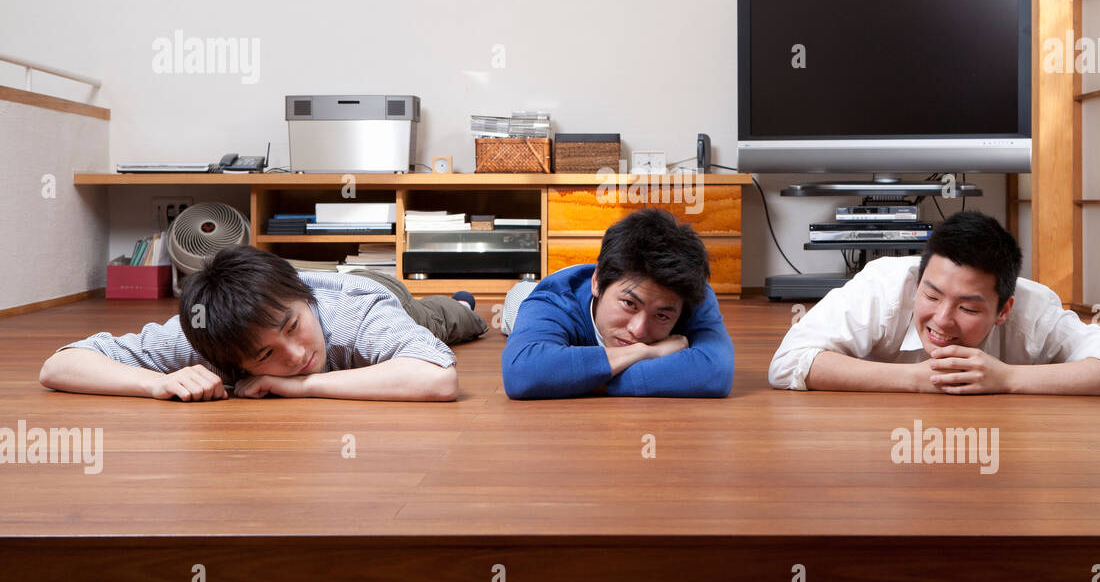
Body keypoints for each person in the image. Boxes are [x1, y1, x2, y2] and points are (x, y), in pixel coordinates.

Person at [768, 210, 1100, 396]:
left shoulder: (1032, 309)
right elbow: (788, 361)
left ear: (1004, 309)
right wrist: (913, 380)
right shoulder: (884, 286)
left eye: (968, 308)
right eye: (931, 295)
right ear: (919, 279)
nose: (941, 319)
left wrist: (1008, 379)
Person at [38, 245, 476, 402]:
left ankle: (460, 299)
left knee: (446, 318)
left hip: (376, 289)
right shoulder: (210, 332)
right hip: (299, 288)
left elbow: (438, 380)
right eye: (266, 355)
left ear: (303, 301)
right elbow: (59, 366)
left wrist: (299, 387)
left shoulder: (356, 316)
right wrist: (153, 384)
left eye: (292, 328)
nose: (298, 355)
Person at [502, 208, 733, 399]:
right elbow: (522, 372)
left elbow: (717, 371)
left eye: (661, 316)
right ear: (597, 282)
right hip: (532, 293)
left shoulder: (690, 291)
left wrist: (574, 378)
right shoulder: (554, 299)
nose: (638, 330)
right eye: (629, 304)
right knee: (520, 293)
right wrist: (645, 352)